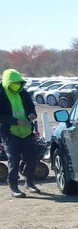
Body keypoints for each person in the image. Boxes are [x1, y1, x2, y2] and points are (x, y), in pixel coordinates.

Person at [0, 69, 41, 198]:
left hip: (26, 130)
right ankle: (14, 186)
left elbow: (31, 105)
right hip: (10, 132)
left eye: (19, 82)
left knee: (32, 157)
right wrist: (14, 121)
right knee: (13, 158)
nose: (18, 85)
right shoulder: (1, 93)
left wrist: (32, 113)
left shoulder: (22, 92)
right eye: (15, 82)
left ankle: (29, 183)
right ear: (8, 82)